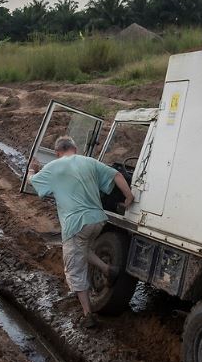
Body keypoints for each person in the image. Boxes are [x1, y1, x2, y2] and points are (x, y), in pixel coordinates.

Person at [27, 135, 134, 329]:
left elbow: (32, 183)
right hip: (98, 220)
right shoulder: (90, 162)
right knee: (83, 248)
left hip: (75, 224)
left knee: (74, 270)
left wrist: (32, 170)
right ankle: (108, 269)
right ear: (75, 149)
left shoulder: (53, 166)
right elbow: (117, 176)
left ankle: (88, 315)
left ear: (58, 153)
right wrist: (129, 196)